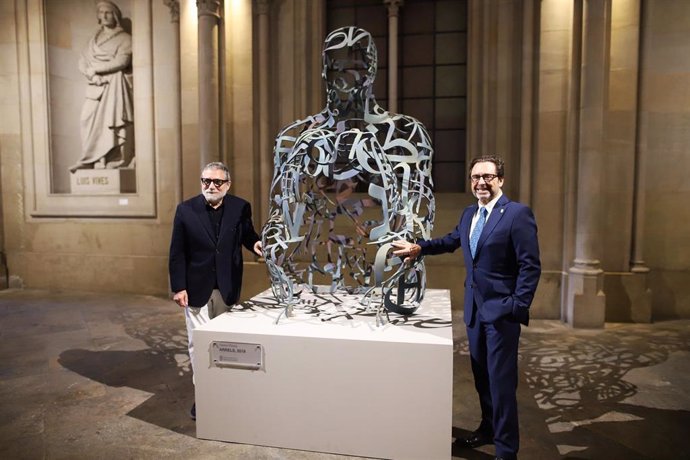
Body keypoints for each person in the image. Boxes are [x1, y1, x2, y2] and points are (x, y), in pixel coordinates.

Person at [261, 27, 435, 319]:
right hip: (309, 287)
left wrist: (405, 247)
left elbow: (418, 208)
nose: (343, 78)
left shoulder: (406, 134)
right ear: (324, 71)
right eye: (335, 68)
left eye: (355, 67)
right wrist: (274, 236)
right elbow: (280, 207)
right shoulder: (295, 136)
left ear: (371, 70)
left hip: (380, 281)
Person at [392, 155, 541, 460]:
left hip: (501, 314)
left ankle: (506, 450)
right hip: (474, 311)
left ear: (500, 179)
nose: (480, 183)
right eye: (475, 177)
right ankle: (488, 429)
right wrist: (420, 247)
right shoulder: (469, 213)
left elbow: (530, 266)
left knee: (501, 383)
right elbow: (451, 241)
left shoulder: (516, 214)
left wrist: (516, 305)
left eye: (487, 176)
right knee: (481, 377)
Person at [168, 162, 262, 420]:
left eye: (216, 182)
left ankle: (226, 392)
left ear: (227, 185)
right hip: (195, 288)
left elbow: (247, 233)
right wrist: (178, 287)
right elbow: (177, 252)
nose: (210, 186)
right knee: (197, 343)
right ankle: (204, 396)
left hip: (227, 285)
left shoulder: (240, 207)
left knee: (224, 342)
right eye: (206, 181)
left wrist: (255, 243)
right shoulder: (186, 210)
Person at [70, 0, 134, 173]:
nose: (104, 16)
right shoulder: (93, 40)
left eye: (108, 12)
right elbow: (82, 61)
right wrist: (91, 74)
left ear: (115, 16)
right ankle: (90, 158)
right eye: (101, 13)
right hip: (95, 88)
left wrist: (95, 69)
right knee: (86, 119)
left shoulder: (125, 39)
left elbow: (122, 61)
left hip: (114, 86)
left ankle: (112, 159)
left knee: (111, 124)